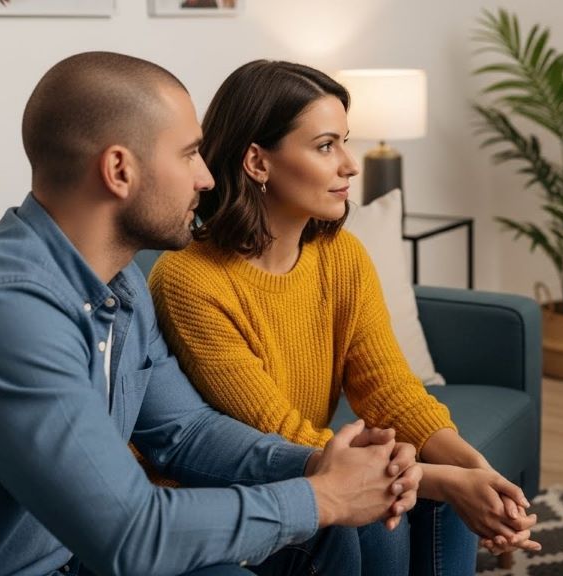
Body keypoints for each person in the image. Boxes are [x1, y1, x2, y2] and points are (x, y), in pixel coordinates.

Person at [0, 51, 424, 576]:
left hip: (81, 555)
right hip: (60, 560)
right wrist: (322, 496)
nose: (207, 178)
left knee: (344, 527)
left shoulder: (120, 285)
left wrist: (316, 464)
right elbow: (130, 532)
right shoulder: (9, 308)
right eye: (190, 154)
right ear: (119, 170)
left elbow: (185, 432)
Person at [147, 59, 541, 576]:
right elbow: (277, 438)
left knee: (431, 491)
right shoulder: (188, 281)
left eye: (344, 142)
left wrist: (473, 467)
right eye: (326, 145)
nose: (350, 166)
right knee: (378, 509)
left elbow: (388, 389)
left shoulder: (340, 255)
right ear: (257, 162)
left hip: (312, 467)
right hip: (236, 492)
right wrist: (439, 478)